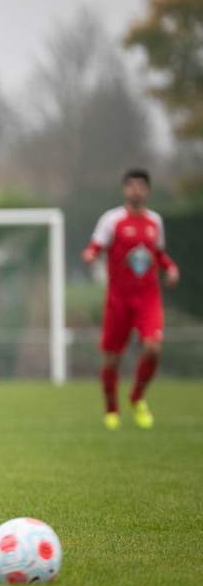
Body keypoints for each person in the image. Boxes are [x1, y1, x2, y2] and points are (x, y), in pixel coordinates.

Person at [82, 168, 179, 430]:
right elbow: (95, 248)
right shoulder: (111, 220)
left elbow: (158, 254)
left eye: (141, 186)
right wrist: (90, 255)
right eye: (131, 186)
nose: (136, 190)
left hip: (148, 298)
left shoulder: (155, 222)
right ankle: (111, 408)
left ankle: (137, 397)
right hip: (118, 301)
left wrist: (170, 267)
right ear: (125, 190)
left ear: (147, 191)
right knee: (112, 359)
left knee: (153, 348)